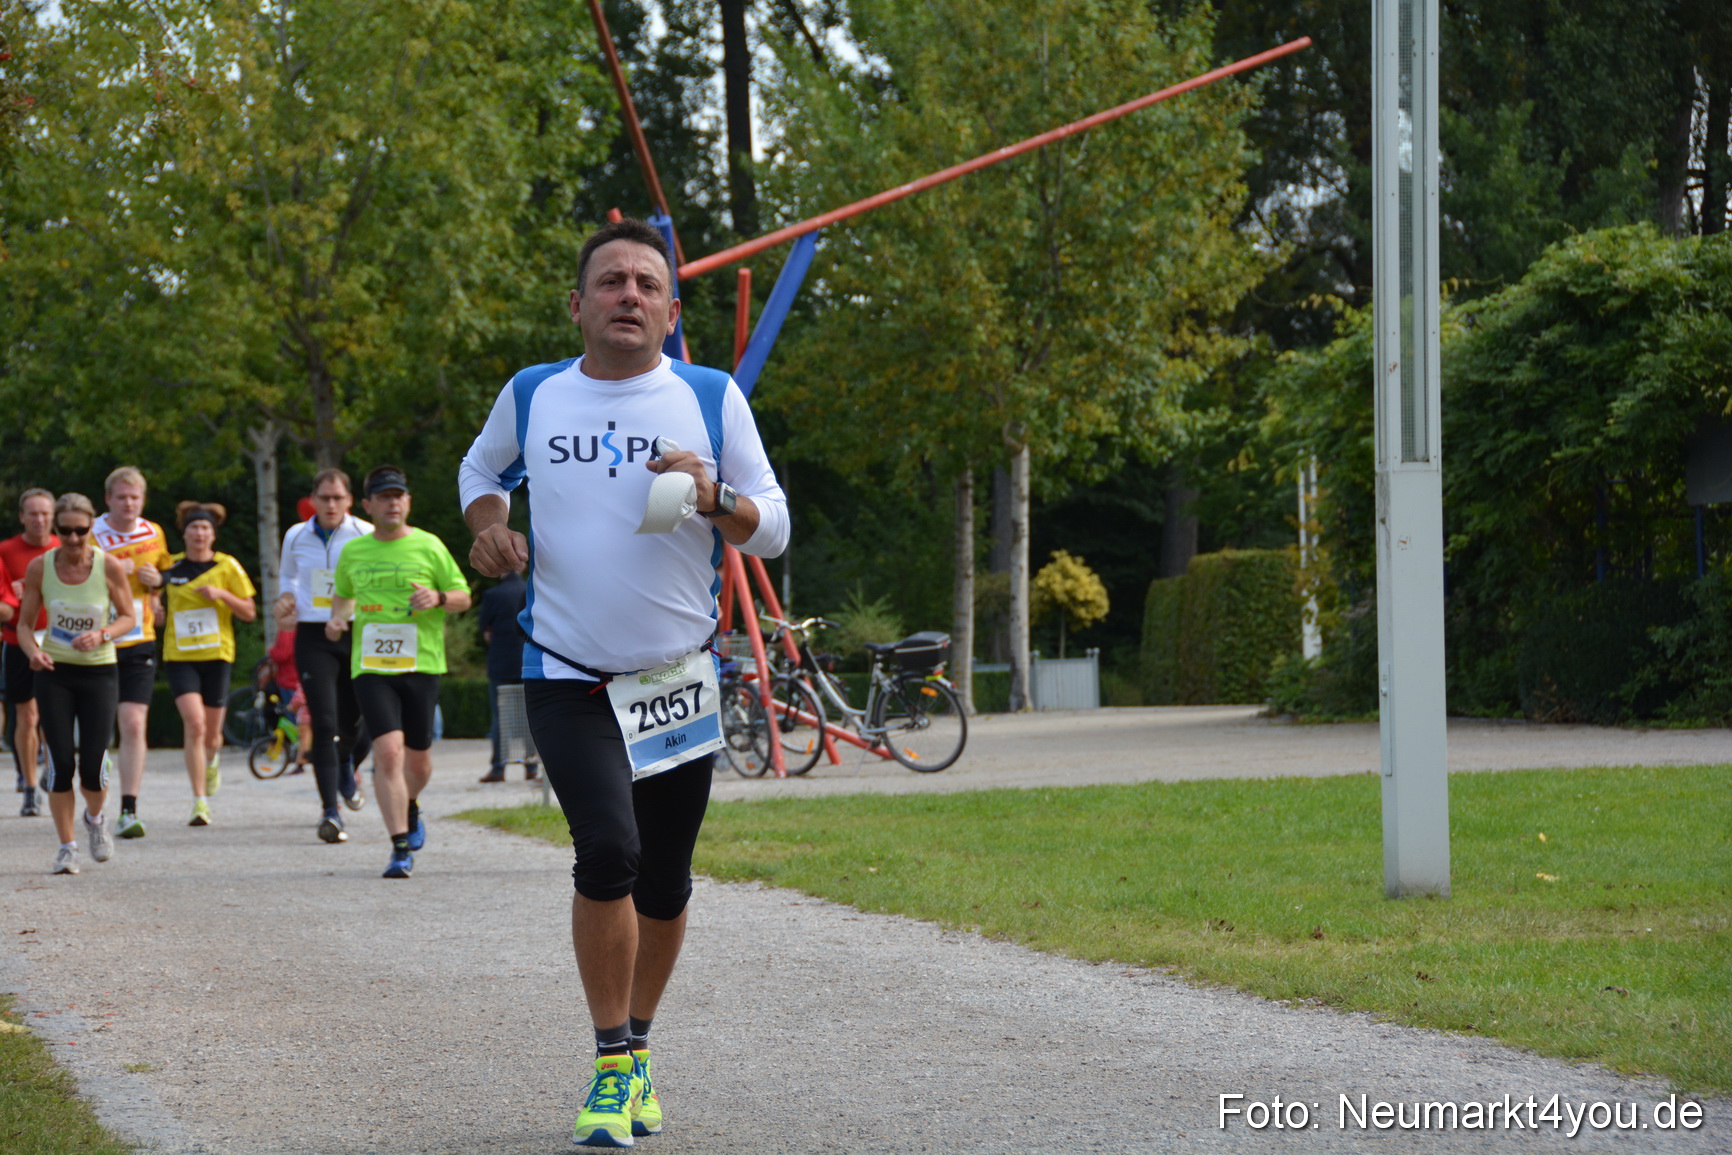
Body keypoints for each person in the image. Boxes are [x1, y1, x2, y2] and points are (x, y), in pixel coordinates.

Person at [459, 217, 789, 1148]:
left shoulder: (710, 396)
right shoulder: (533, 394)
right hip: (566, 670)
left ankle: (638, 1043)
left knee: (668, 877)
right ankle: (611, 1062)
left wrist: (717, 494)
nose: (629, 295)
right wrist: (488, 522)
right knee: (607, 849)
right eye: (611, 282)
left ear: (672, 308)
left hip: (679, 677)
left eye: (647, 283)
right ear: (578, 304)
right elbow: (482, 470)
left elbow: (775, 529)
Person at [327, 466, 471, 879]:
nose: (393, 503)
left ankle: (410, 803)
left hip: (421, 663)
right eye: (384, 497)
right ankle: (400, 846)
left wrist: (439, 596)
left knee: (419, 763)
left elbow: (463, 597)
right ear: (368, 505)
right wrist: (337, 620)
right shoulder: (353, 552)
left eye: (399, 496)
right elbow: (342, 600)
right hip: (371, 666)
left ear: (407, 502)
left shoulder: (429, 546)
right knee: (388, 752)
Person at [13, 494, 135, 874]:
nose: (73, 538)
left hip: (99, 672)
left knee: (94, 766)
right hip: (55, 673)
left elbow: (129, 617)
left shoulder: (108, 566)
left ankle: (95, 821)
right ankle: (67, 847)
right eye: (64, 530)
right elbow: (23, 625)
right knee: (60, 764)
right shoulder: (40, 567)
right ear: (56, 529)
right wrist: (33, 651)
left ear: (91, 529)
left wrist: (102, 634)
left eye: (81, 530)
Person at [276, 469, 374, 843]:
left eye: (338, 497)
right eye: (324, 497)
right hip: (313, 636)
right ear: (313, 500)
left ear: (349, 500)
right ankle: (330, 813)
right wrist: (285, 599)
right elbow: (288, 578)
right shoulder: (295, 535)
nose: (331, 504)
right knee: (323, 721)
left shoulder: (365, 534)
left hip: (357, 631)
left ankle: (348, 760)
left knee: (359, 720)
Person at [161, 503, 257, 826]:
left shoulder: (227, 566)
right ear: (184, 532)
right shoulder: (169, 567)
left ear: (213, 534)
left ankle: (212, 760)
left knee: (213, 735)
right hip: (179, 656)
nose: (199, 533)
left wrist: (222, 595)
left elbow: (249, 612)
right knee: (195, 724)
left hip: (217, 656)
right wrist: (156, 612)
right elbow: (150, 601)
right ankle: (199, 801)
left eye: (205, 528)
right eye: (194, 528)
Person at [92, 466, 173, 839]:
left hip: (140, 639)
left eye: (135, 497)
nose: (128, 504)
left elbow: (163, 573)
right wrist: (108, 571)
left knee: (135, 723)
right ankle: (95, 803)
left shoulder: (153, 532)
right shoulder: (91, 533)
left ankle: (129, 809)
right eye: (121, 497)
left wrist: (158, 586)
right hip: (98, 640)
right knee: (99, 728)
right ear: (108, 499)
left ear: (143, 500)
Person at [1, 489, 59, 818]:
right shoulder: (6, 551)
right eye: (33, 513)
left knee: (55, 714)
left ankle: (55, 771)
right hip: (18, 642)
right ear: (22, 516)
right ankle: (30, 786)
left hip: (58, 641)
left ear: (53, 516)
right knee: (28, 716)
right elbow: (5, 603)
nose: (39, 519)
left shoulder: (63, 547)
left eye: (45, 513)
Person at [477, 570, 539, 783]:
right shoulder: (530, 589)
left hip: (500, 663)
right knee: (531, 714)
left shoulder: (493, 595)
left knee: (499, 717)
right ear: (521, 568)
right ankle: (531, 766)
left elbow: (483, 628)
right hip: (528, 660)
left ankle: (498, 769)